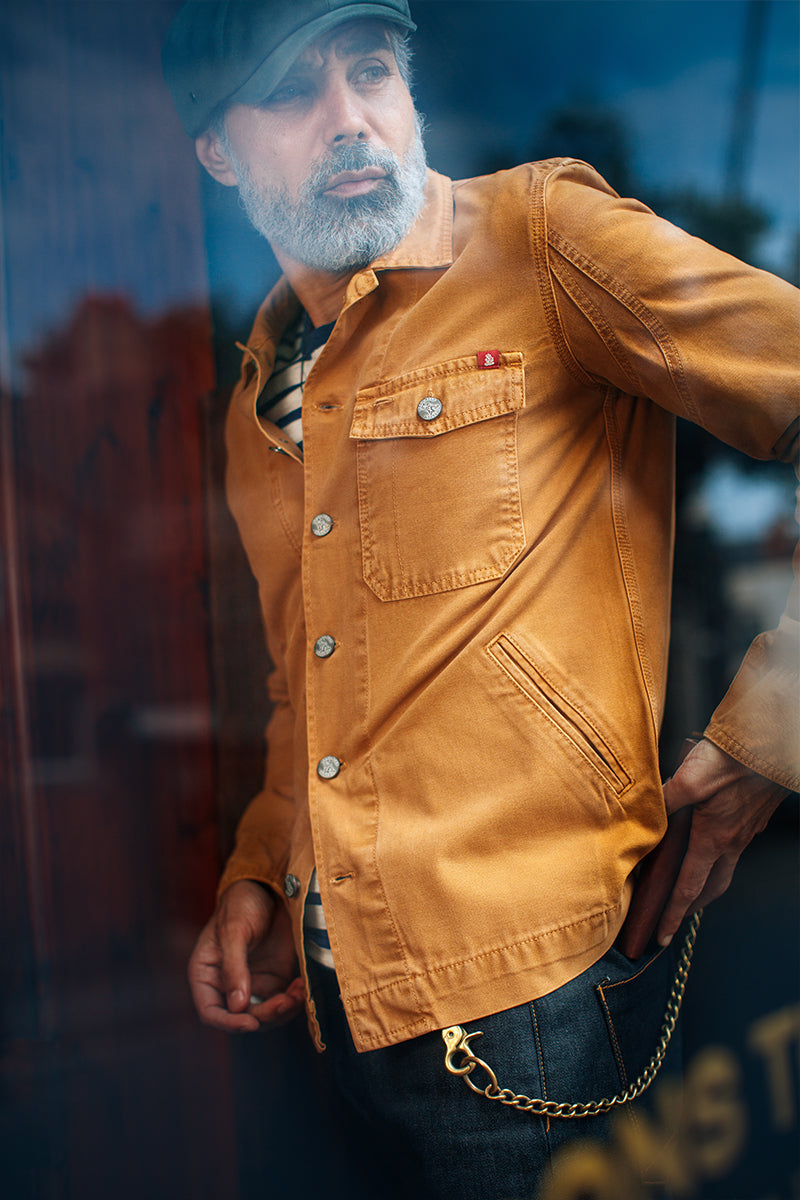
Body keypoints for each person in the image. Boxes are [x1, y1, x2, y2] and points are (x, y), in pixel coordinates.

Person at [162, 2, 799, 1196]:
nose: (349, 118)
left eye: (370, 71)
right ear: (217, 153)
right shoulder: (259, 397)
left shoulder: (542, 235)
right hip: (340, 1013)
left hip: (540, 1005)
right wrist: (260, 875)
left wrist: (775, 732)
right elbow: (308, 688)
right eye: (291, 91)